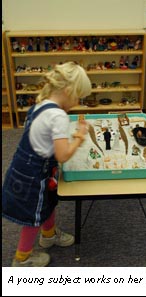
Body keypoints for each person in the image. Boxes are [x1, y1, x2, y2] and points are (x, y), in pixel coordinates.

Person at [2, 61, 92, 267]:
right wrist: (79, 136)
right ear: (68, 90)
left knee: (48, 204)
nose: (77, 102)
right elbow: (62, 156)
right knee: (34, 216)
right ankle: (22, 259)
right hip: (34, 175)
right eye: (78, 96)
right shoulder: (58, 116)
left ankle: (49, 235)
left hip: (24, 168)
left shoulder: (40, 104)